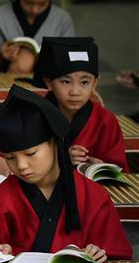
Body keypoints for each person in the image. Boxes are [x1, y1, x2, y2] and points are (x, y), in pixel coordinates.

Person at [0, 85, 130, 259]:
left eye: (31, 154)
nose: (21, 165)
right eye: (10, 158)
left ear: (54, 143)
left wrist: (100, 253)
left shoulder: (94, 195)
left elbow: (117, 253)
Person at [36, 36, 128, 170]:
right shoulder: (34, 114)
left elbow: (118, 168)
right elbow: (19, 160)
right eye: (66, 82)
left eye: (84, 82)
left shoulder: (105, 120)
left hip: (92, 188)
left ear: (95, 83)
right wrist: (60, 159)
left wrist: (99, 167)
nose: (75, 92)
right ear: (49, 83)